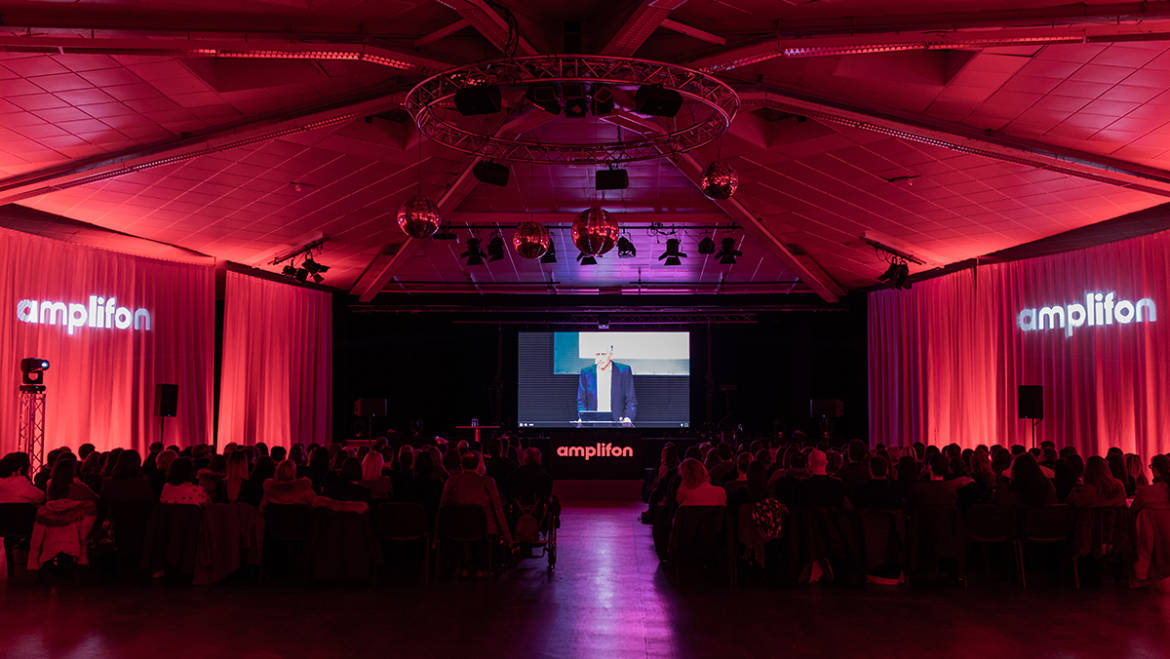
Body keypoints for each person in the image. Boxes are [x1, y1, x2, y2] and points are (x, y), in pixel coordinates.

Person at [440, 451, 512, 545]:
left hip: (456, 530)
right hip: (485, 530)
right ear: (478, 464)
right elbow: (499, 511)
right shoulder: (488, 482)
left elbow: (441, 509)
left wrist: (436, 538)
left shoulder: (451, 482)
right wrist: (509, 540)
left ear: (461, 465)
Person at [576, 344, 636, 425]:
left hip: (617, 422)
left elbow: (631, 399)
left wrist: (628, 418)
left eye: (603, 354)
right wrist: (582, 417)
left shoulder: (623, 371)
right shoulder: (586, 372)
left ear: (610, 355)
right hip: (593, 423)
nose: (600, 358)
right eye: (598, 354)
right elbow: (581, 400)